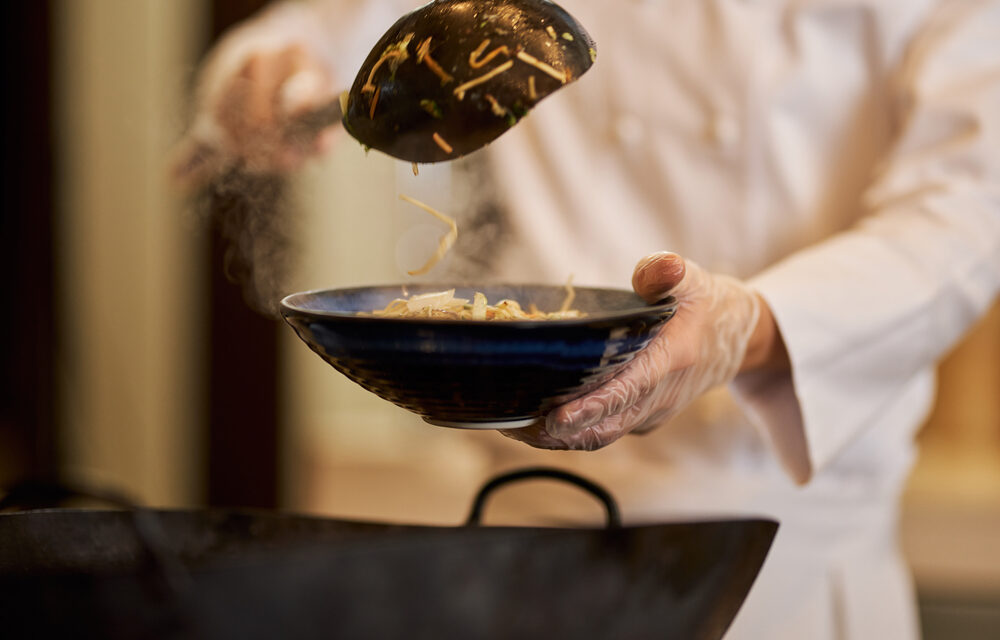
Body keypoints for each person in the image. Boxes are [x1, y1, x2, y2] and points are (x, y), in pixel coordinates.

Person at [175, 1, 1000, 638]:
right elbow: (326, 29)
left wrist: (744, 329)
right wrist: (263, 75)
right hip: (512, 528)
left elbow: (968, 210)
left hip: (775, 562)